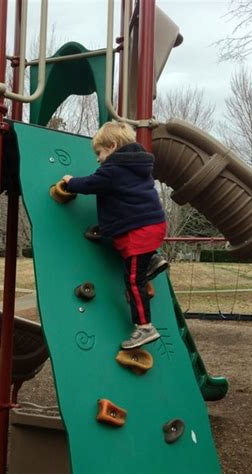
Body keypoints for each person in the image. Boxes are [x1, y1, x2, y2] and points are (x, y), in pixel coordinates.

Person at [62, 121, 168, 349]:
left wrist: (70, 183)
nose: (98, 159)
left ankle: (144, 327)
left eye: (99, 152)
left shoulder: (113, 169)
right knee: (133, 257)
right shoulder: (137, 167)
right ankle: (153, 258)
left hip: (139, 230)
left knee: (133, 279)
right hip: (150, 226)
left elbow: (92, 183)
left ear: (112, 145)